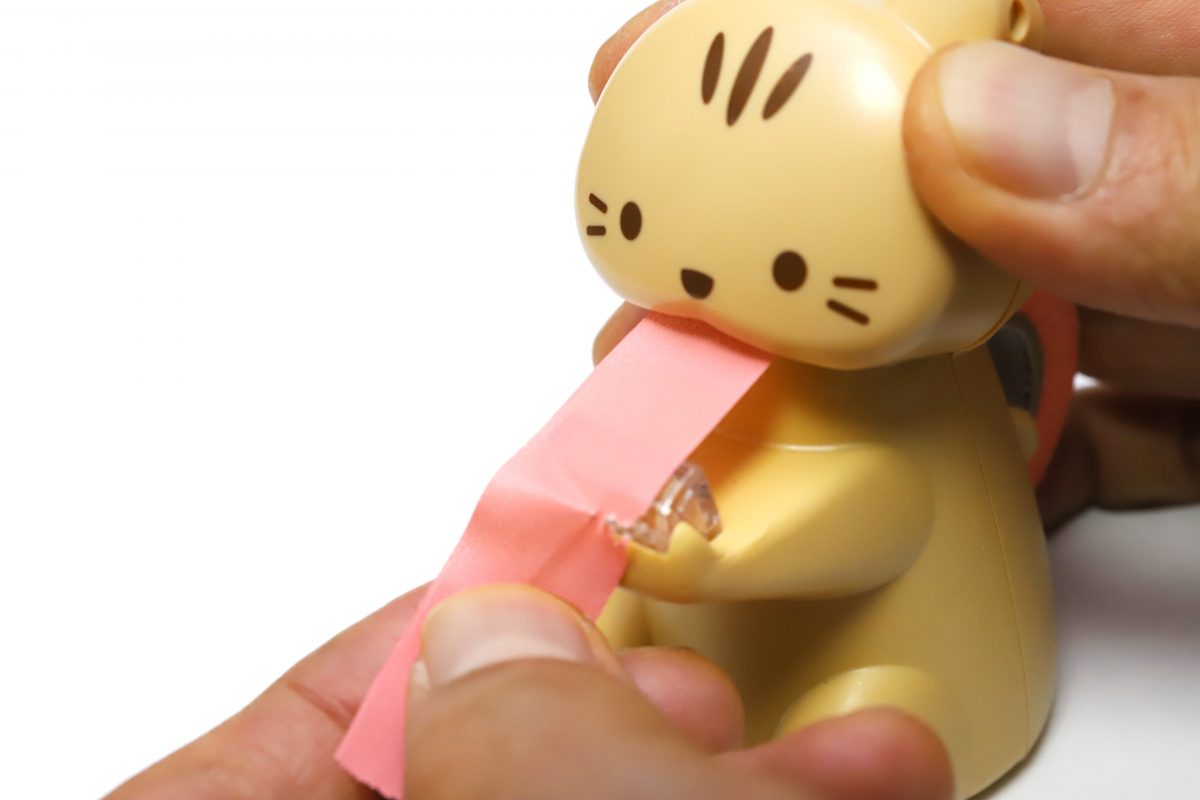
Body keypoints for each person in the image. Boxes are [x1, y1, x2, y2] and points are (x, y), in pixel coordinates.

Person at [107, 1, 1200, 797]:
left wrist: (710, 551)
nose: (708, 281)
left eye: (789, 268)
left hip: (894, 660)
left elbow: (876, 507)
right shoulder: (695, 339)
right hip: (696, 619)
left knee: (874, 718)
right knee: (600, 616)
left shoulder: (899, 410)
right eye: (630, 223)